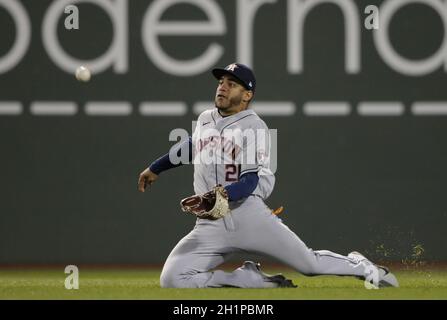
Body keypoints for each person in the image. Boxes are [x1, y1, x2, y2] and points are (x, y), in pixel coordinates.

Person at [137, 63, 399, 289]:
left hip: (247, 216)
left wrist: (222, 195)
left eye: (232, 84)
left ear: (247, 95)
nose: (223, 87)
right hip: (210, 225)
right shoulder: (206, 118)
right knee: (172, 279)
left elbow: (250, 181)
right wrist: (155, 168)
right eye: (221, 82)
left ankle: (362, 266)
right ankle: (247, 279)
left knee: (308, 264)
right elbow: (191, 146)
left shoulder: (254, 126)